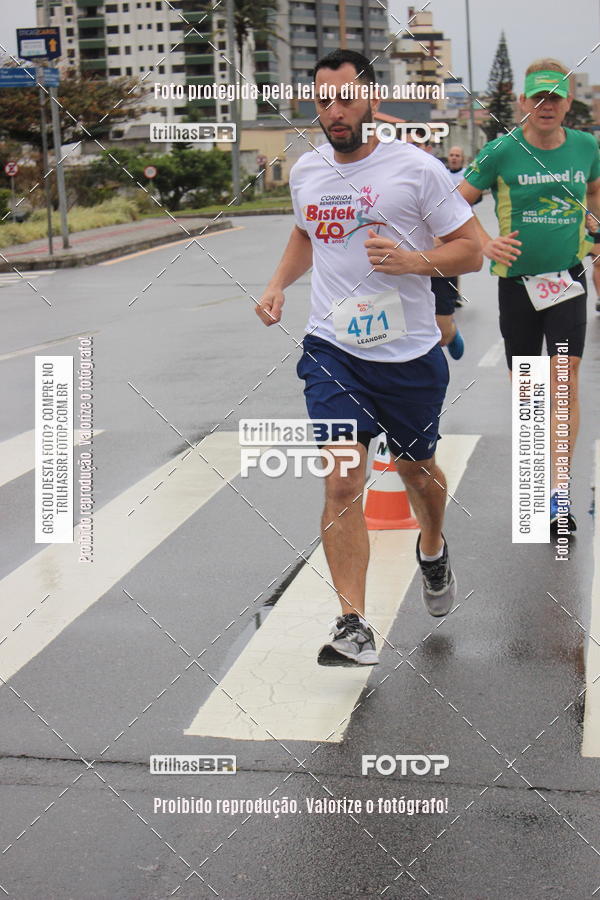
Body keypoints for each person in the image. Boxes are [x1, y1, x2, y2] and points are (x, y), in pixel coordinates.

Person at [256, 49, 482, 666]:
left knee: (417, 474)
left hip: (407, 355)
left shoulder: (416, 170)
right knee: (342, 478)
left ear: (371, 99)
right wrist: (278, 284)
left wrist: (415, 262)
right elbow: (305, 232)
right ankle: (352, 621)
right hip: (333, 350)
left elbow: (472, 251)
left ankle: (432, 548)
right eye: (322, 99)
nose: (333, 110)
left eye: (345, 97)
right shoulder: (307, 172)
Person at [459, 58, 600, 531]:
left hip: (566, 280)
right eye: (537, 97)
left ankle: (560, 492)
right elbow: (452, 202)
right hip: (516, 284)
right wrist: (483, 242)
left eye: (554, 97)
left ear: (567, 104)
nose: (545, 106)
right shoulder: (501, 150)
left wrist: (595, 237)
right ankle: (538, 469)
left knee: (565, 378)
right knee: (529, 389)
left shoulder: (586, 146)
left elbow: (596, 192)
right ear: (522, 102)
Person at [407, 130, 465, 358]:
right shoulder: (387, 177)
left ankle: (450, 331)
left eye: (417, 145)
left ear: (428, 149)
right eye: (407, 144)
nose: (411, 150)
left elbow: (457, 224)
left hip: (436, 261)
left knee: (440, 332)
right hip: (402, 264)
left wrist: (436, 240)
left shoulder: (436, 174)